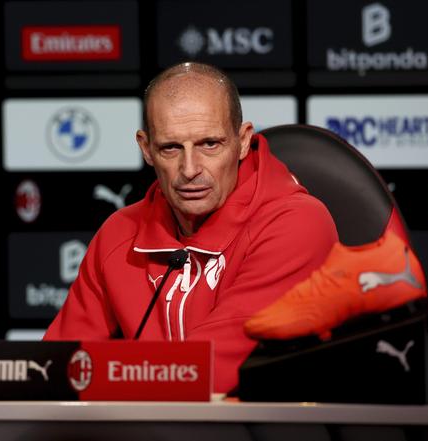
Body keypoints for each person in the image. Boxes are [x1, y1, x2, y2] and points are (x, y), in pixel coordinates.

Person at [44, 62, 339, 393]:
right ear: (146, 149)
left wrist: (107, 375)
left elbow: (210, 371)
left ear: (243, 140)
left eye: (209, 144)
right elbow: (53, 374)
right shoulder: (118, 234)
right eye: (171, 148)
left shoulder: (298, 224)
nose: (189, 169)